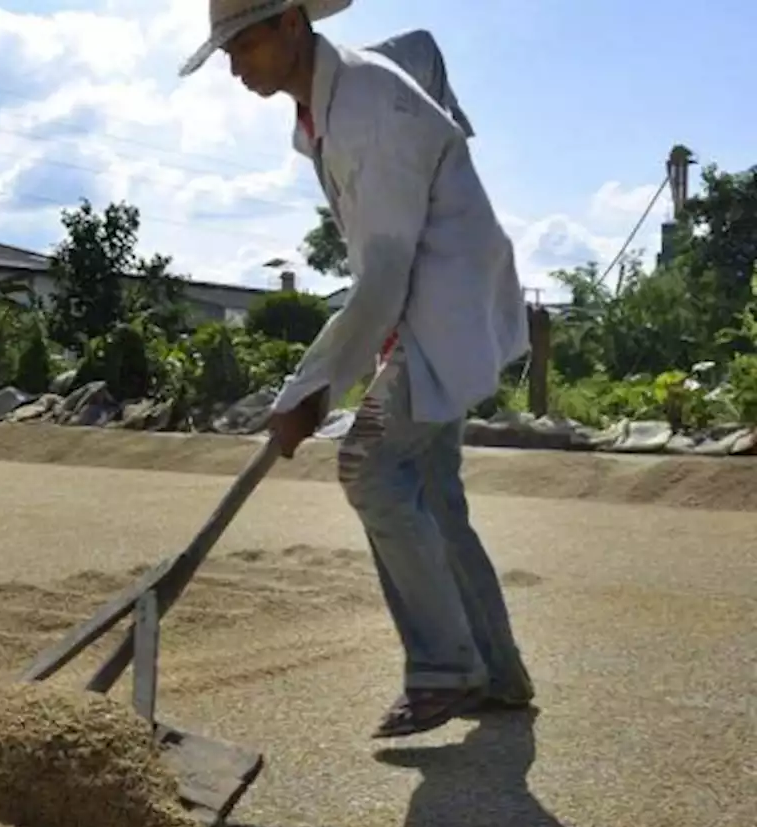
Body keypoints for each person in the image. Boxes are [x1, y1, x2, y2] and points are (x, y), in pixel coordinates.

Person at [180, 0, 535, 738]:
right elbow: (424, 48)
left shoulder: (365, 112)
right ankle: (496, 671)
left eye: (241, 46)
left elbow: (381, 275)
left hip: (442, 305)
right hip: (426, 302)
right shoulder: (333, 100)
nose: (235, 67)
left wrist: (309, 390)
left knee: (369, 463)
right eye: (225, 54)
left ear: (289, 25)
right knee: (432, 491)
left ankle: (446, 670)